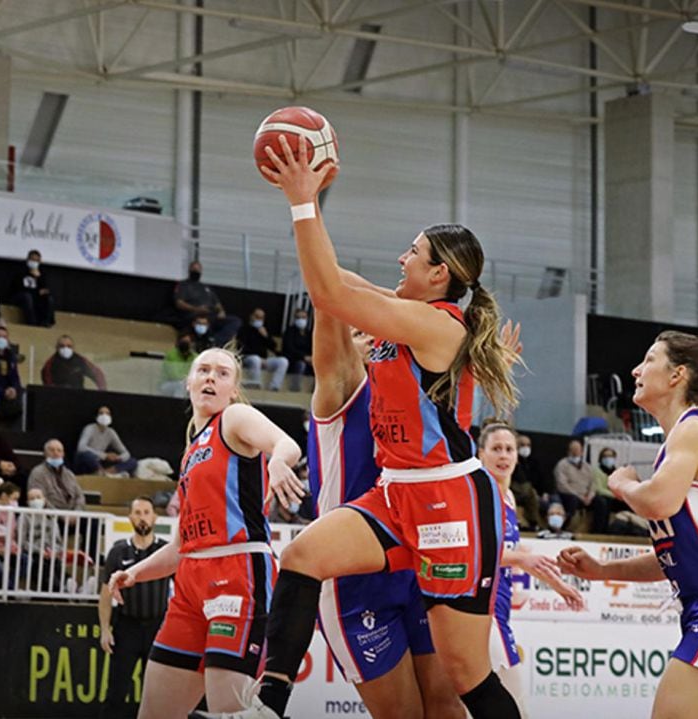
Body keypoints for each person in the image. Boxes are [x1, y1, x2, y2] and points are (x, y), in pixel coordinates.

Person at [199, 138, 523, 719]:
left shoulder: (435, 325)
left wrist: (302, 201)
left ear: (438, 274)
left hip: (450, 503)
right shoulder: (413, 315)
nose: (401, 259)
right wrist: (313, 202)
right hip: (397, 494)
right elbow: (337, 282)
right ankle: (268, 705)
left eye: (413, 252)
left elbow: (329, 291)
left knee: (465, 678)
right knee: (301, 555)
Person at [558, 331, 698, 719]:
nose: (636, 369)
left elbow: (655, 501)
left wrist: (620, 482)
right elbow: (676, 556)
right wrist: (602, 570)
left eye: (648, 359)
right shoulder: (679, 443)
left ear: (677, 374)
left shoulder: (694, 429)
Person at [107, 347, 301, 717]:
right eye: (204, 370)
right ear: (189, 382)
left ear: (233, 389)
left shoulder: (235, 418)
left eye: (222, 373)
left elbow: (286, 444)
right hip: (190, 586)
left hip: (237, 573)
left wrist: (278, 461)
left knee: (229, 709)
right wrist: (135, 572)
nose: (211, 377)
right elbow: (181, 547)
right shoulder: (190, 452)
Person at [298, 306, 462, 718]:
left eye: (377, 328)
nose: (371, 335)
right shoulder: (342, 387)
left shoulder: (411, 395)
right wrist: (330, 285)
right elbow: (328, 302)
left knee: (448, 706)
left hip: (414, 566)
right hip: (354, 579)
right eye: (359, 331)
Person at [478, 423, 583, 717]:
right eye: (496, 448)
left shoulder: (509, 497)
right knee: (514, 706)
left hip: (499, 610)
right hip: (480, 611)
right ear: (481, 453)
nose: (504, 455)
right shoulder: (479, 494)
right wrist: (522, 561)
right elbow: (473, 553)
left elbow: (520, 553)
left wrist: (560, 584)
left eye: (509, 449)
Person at [99, 496, 171, 719]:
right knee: (117, 690)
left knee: (158, 693)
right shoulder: (118, 552)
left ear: (155, 517)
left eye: (146, 512)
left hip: (158, 629)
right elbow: (104, 595)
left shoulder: (164, 551)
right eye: (138, 513)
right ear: (130, 517)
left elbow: (185, 586)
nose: (142, 518)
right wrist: (104, 629)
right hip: (126, 627)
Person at [170, 261, 240, 345]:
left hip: (210, 316)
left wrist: (221, 311)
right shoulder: (183, 285)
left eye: (198, 269)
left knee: (235, 321)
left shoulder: (206, 288)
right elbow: (179, 303)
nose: (196, 271)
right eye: (194, 269)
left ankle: (214, 342)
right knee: (201, 324)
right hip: (193, 316)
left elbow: (217, 304)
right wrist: (196, 309)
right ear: (189, 270)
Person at [552, 438, 608, 534]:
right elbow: (562, 485)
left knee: (601, 502)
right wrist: (579, 496)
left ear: (582, 452)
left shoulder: (587, 467)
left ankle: (598, 531)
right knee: (572, 501)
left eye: (577, 451)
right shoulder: (562, 465)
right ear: (569, 451)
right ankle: (564, 528)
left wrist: (590, 496)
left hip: (586, 496)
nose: (575, 453)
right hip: (570, 494)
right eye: (573, 451)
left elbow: (593, 483)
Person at [75, 407, 137, 476]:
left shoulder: (111, 432)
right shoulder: (89, 428)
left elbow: (126, 453)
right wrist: (104, 455)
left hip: (100, 463)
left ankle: (105, 473)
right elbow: (81, 447)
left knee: (132, 461)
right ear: (96, 417)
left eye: (107, 414)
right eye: (101, 413)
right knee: (87, 456)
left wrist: (118, 458)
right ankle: (101, 473)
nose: (104, 416)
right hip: (87, 462)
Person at [237, 308, 289, 391]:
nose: (259, 319)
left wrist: (266, 336)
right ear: (251, 316)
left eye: (261, 318)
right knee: (255, 359)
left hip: (264, 360)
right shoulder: (244, 330)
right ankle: (256, 384)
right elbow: (242, 347)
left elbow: (274, 346)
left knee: (283, 361)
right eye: (257, 317)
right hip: (248, 358)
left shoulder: (264, 330)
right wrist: (260, 358)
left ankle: (274, 386)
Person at [27, 439, 84, 511]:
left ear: (63, 454)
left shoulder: (69, 474)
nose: (56, 453)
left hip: (73, 514)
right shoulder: (37, 473)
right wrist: (61, 516)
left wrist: (77, 513)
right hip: (50, 516)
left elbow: (80, 497)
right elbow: (38, 498)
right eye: (52, 450)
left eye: (59, 450)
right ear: (45, 453)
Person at [40, 335, 106, 390]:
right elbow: (48, 383)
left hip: (79, 395)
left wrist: (102, 390)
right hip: (59, 396)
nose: (65, 348)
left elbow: (97, 374)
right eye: (62, 346)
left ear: (73, 348)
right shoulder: (50, 363)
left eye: (69, 346)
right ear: (57, 348)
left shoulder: (80, 360)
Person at [14, 250, 54, 327]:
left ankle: (46, 322)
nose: (34, 262)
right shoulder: (21, 271)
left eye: (36, 260)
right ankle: (32, 323)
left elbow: (44, 288)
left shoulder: (41, 273)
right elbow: (20, 287)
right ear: (28, 259)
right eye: (32, 259)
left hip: (35, 296)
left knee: (49, 299)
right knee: (27, 297)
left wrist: (38, 278)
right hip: (21, 296)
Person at [281, 308, 313, 391]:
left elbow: (312, 347)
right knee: (301, 365)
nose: (301, 320)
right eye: (298, 317)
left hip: (308, 359)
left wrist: (311, 358)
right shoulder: (290, 331)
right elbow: (289, 348)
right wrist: (303, 357)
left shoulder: (309, 333)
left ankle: (315, 389)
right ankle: (295, 386)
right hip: (293, 358)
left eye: (303, 317)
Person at [159, 332, 197, 398]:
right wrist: (186, 380)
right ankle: (178, 405)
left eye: (188, 343)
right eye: (184, 342)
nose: (185, 345)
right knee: (180, 385)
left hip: (188, 384)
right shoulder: (171, 355)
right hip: (168, 384)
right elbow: (174, 376)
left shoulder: (196, 357)